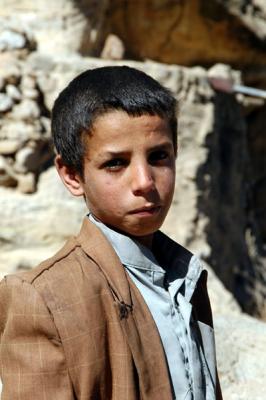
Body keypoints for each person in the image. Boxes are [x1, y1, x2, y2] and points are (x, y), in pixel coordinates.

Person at [0, 66, 222, 400]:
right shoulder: (45, 299)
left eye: (159, 156)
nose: (145, 181)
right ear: (72, 175)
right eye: (116, 163)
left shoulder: (183, 277)